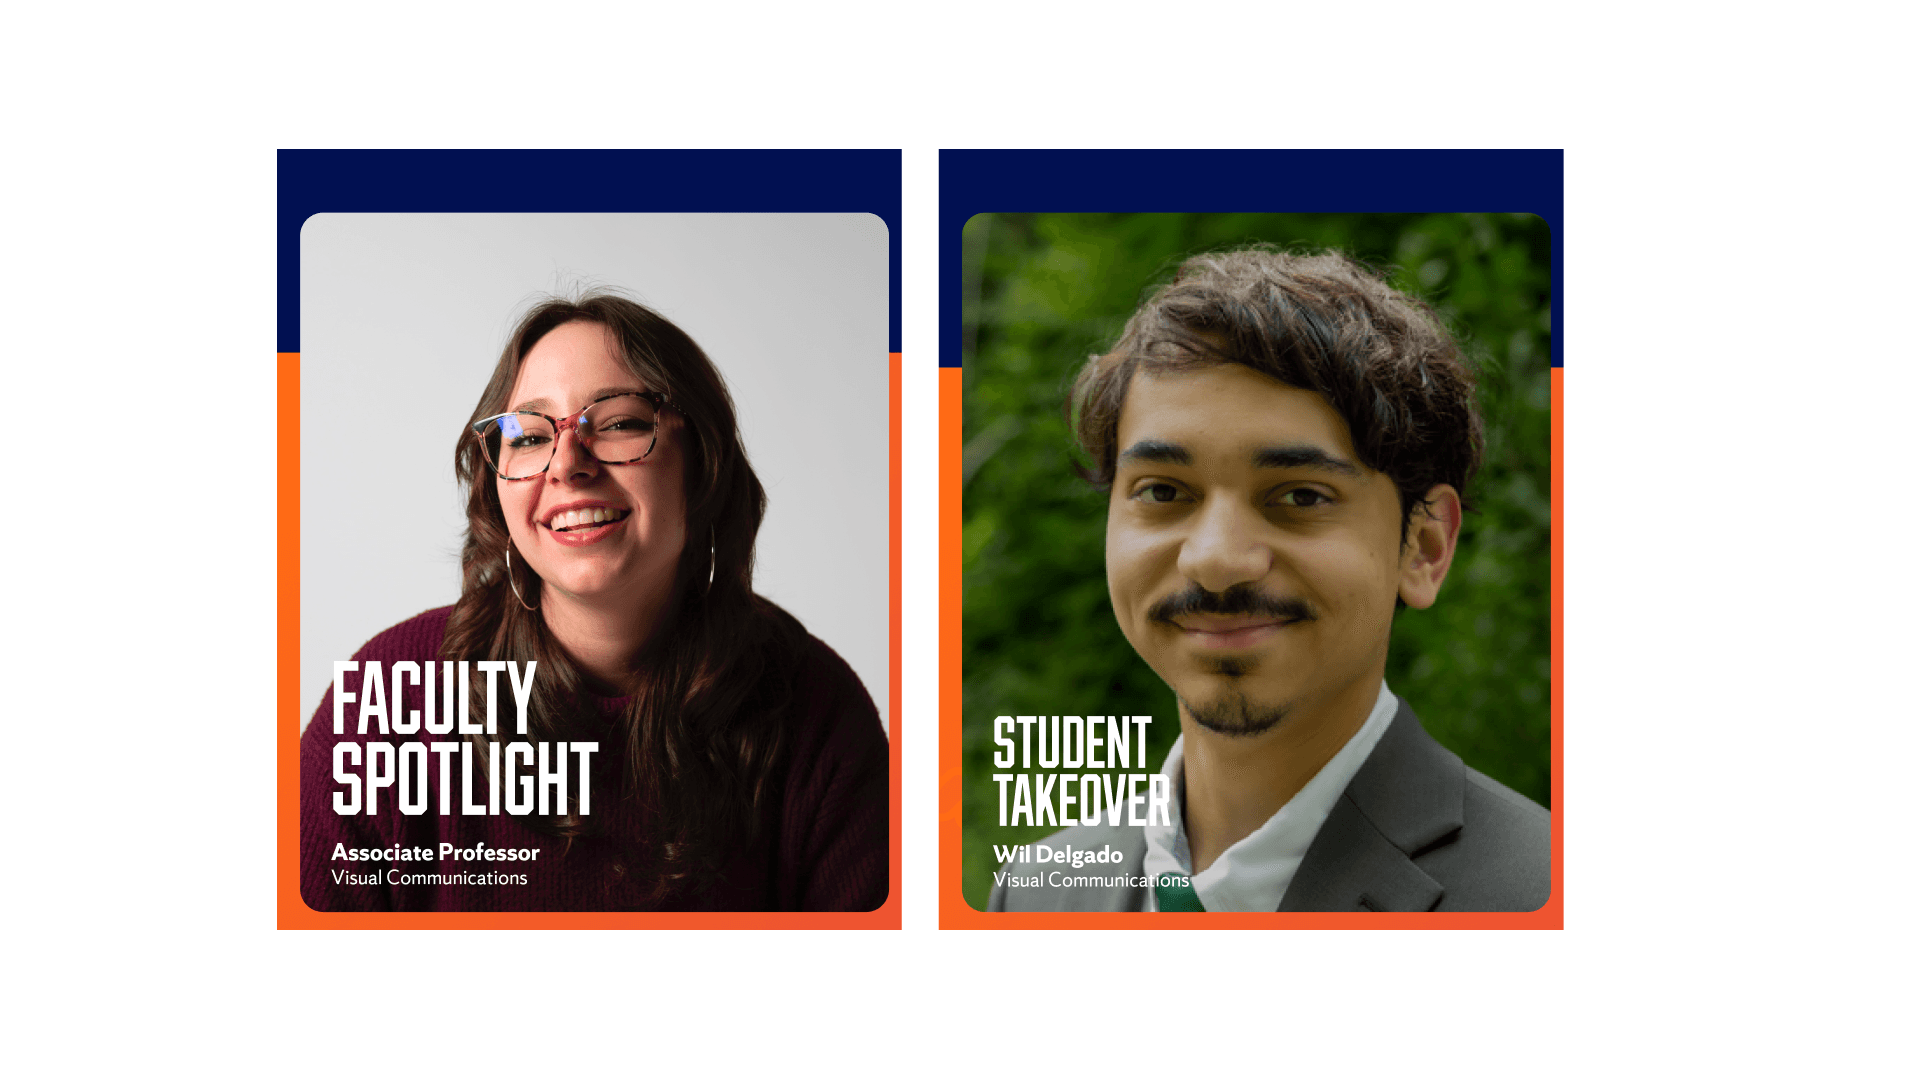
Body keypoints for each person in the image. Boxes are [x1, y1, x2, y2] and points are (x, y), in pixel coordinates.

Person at [988, 248, 1549, 913]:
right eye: (1164, 490)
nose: (1216, 559)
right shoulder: (1034, 892)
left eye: (1301, 496)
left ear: (1423, 547)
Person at [301, 293, 888, 911]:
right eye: (528, 436)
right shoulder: (388, 701)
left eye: (617, 423)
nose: (567, 464)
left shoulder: (815, 709)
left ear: (702, 461)